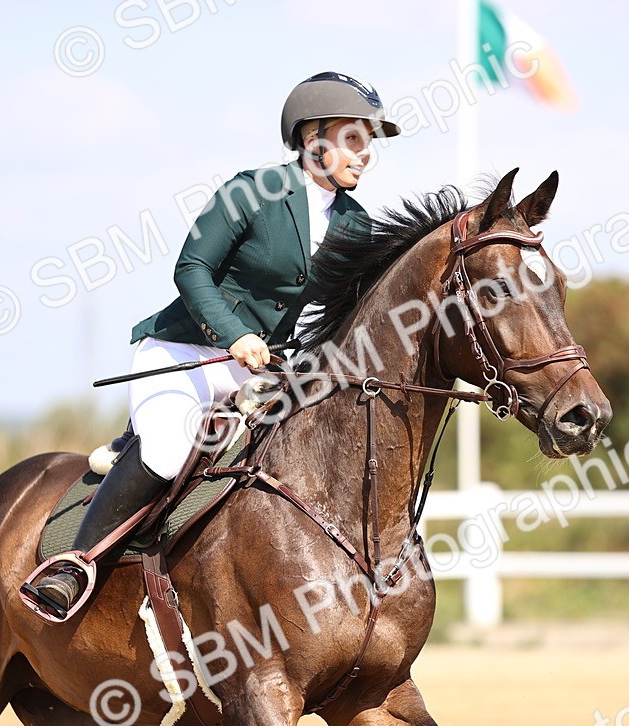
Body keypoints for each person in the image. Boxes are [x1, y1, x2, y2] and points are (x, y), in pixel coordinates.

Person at [24, 71, 400, 619]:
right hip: (183, 356)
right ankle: (74, 565)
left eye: (369, 142)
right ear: (312, 136)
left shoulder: (356, 225)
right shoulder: (254, 190)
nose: (365, 154)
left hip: (262, 372)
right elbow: (192, 268)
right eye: (353, 138)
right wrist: (237, 335)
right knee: (169, 449)